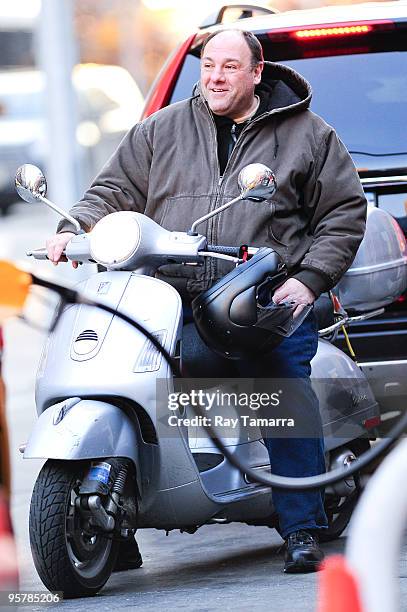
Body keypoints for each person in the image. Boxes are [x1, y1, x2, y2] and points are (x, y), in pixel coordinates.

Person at [46, 29, 367, 573]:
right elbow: (113, 190)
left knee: (282, 391)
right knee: (134, 382)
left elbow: (343, 213)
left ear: (256, 72)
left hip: (259, 298)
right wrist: (74, 228)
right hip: (169, 293)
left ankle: (301, 528)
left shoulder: (309, 136)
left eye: (229, 68)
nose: (215, 78)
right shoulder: (161, 129)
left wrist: (309, 280)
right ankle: (117, 520)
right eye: (208, 66)